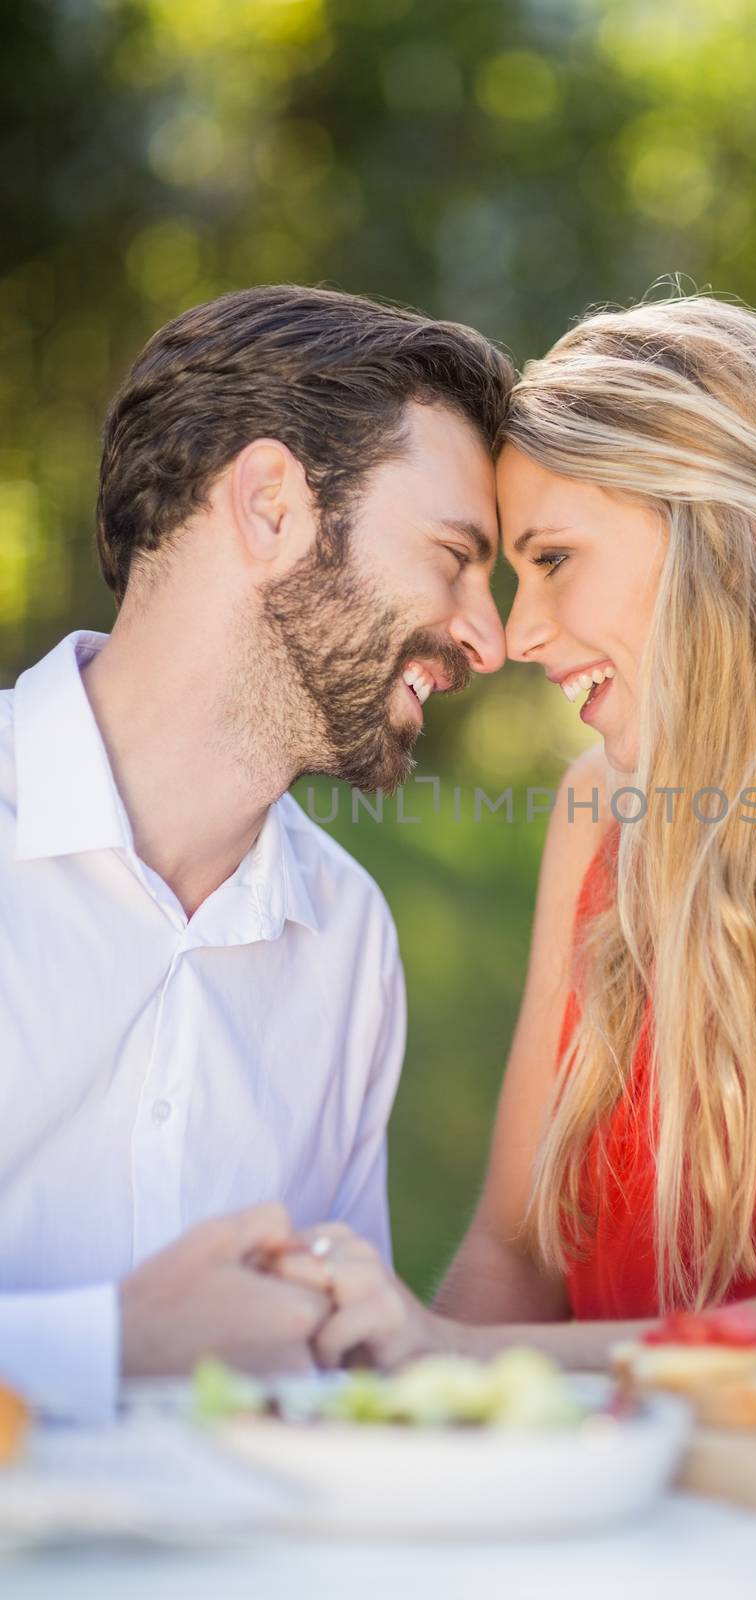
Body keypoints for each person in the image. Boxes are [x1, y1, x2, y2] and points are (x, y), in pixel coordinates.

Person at [275, 292, 756, 1372]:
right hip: (652, 1506)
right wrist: (421, 1409)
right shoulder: (596, 809)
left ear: (730, 537)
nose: (515, 634)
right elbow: (515, 1251)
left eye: (551, 559)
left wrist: (456, 1357)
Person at [0, 284, 513, 1417]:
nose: (490, 633)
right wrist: (115, 1340)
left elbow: (329, 1403)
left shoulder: (344, 939)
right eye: (453, 555)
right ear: (273, 504)